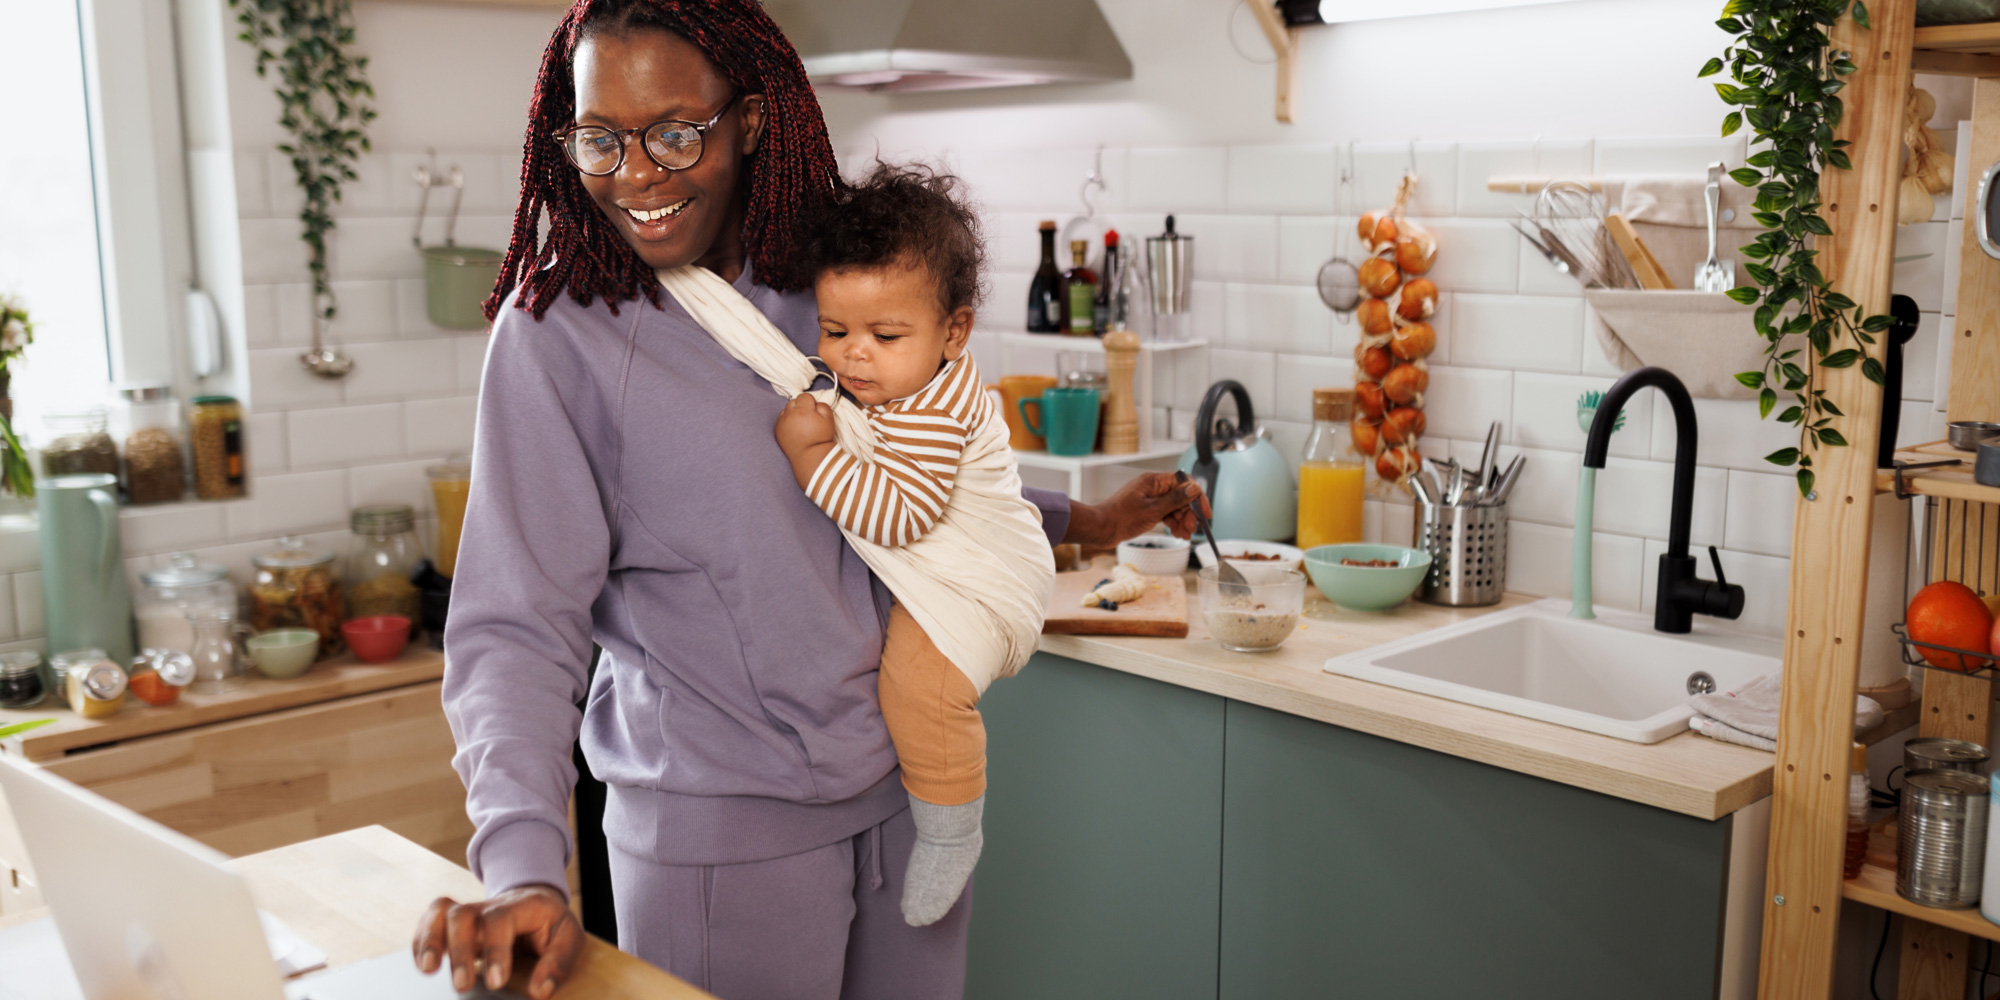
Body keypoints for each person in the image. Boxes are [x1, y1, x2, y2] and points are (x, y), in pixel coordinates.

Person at [410, 2, 1204, 999]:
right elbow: (513, 626)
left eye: (673, 131)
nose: (636, 174)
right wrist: (520, 863)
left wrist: (1083, 518)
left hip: (912, 798)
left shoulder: (831, 277)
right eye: (598, 138)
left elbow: (906, 470)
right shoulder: (559, 337)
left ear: (748, 119)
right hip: (720, 837)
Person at [665, 162, 1046, 927]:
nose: (854, 356)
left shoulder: (935, 409)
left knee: (920, 688)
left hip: (982, 587)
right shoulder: (907, 383)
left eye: (885, 335)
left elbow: (901, 513)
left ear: (954, 332)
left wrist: (812, 456)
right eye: (835, 332)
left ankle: (952, 827)